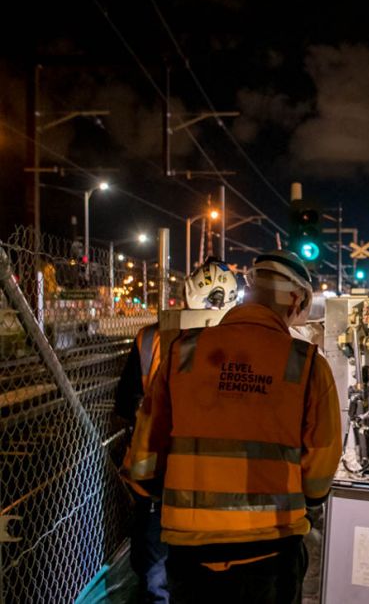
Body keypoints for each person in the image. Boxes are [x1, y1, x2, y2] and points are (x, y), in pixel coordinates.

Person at [126, 250, 341, 604]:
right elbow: (319, 472)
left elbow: (145, 451)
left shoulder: (182, 352)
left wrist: (157, 493)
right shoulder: (306, 366)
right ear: (296, 299)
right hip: (269, 547)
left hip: (188, 547)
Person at [115, 258, 240, 603]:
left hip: (157, 477)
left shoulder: (150, 339)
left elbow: (126, 405)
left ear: (187, 294)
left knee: (157, 578)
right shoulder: (242, 344)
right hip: (219, 480)